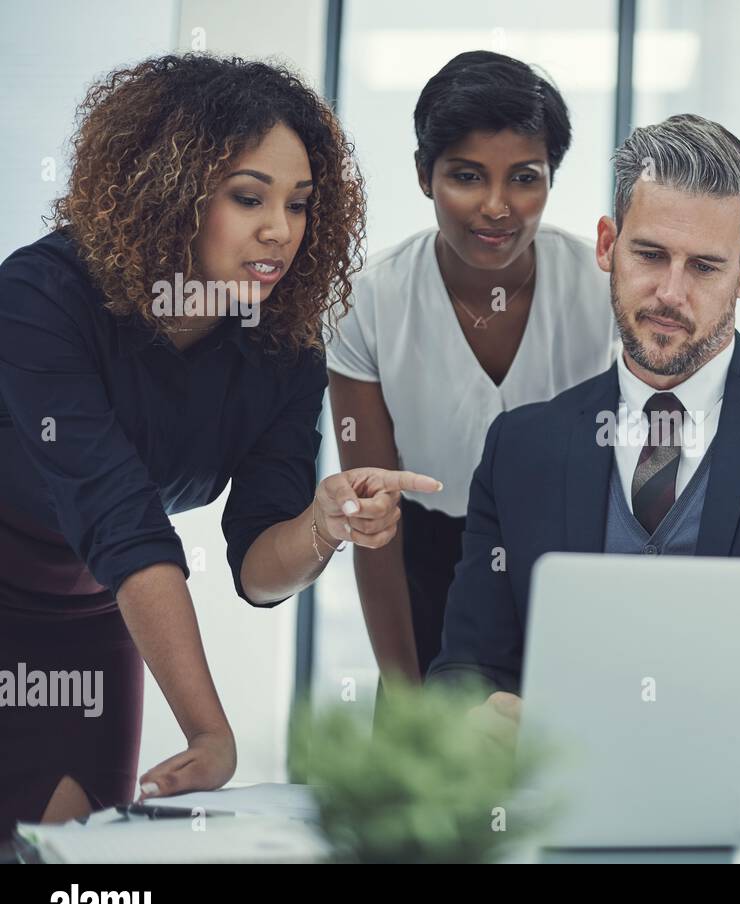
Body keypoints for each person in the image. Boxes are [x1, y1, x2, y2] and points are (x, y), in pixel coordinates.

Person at [0, 54, 435, 833]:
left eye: (300, 205)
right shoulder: (40, 300)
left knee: (71, 876)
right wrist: (209, 731)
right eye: (248, 197)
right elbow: (121, 517)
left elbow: (257, 572)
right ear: (168, 192)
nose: (280, 230)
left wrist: (320, 525)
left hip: (89, 619)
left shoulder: (284, 349)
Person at [425, 113, 740, 742]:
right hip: (567, 817)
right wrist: (477, 723)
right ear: (606, 245)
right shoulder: (521, 449)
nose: (671, 292)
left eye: (703, 267)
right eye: (649, 254)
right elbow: (465, 668)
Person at [327, 51, 617, 689]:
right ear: (425, 176)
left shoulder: (604, 291)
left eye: (524, 177)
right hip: (425, 572)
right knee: (430, 776)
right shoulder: (366, 302)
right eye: (466, 175)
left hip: (566, 568)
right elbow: (374, 520)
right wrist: (404, 694)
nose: (497, 206)